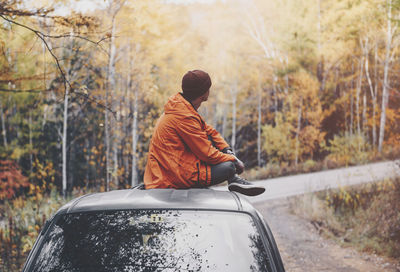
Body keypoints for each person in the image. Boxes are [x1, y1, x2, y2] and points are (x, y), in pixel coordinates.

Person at [144, 69, 265, 196]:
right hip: (171, 177)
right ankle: (233, 177)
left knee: (226, 161)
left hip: (171, 170)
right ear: (204, 93)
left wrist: (227, 150)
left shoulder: (181, 107)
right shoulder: (183, 116)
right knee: (229, 167)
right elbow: (207, 154)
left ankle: (234, 180)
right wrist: (234, 161)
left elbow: (209, 131)